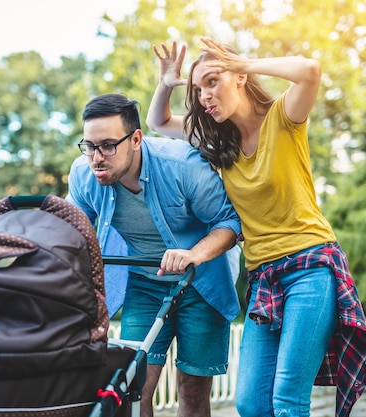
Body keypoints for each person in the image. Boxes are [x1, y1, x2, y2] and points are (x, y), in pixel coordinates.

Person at [146, 38, 366, 417]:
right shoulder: (220, 141)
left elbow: (310, 71)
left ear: (239, 77)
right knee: (251, 404)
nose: (204, 95)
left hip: (311, 268)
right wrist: (167, 83)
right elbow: (157, 123)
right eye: (199, 88)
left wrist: (244, 62)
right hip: (264, 277)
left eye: (213, 82)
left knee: (287, 399)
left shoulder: (283, 118)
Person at [66, 93, 242, 417]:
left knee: (192, 390)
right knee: (135, 388)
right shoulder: (83, 176)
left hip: (202, 281)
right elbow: (70, 234)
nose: (96, 157)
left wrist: (193, 254)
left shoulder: (182, 166)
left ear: (135, 139)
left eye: (107, 145)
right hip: (145, 283)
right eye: (89, 146)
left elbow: (230, 222)